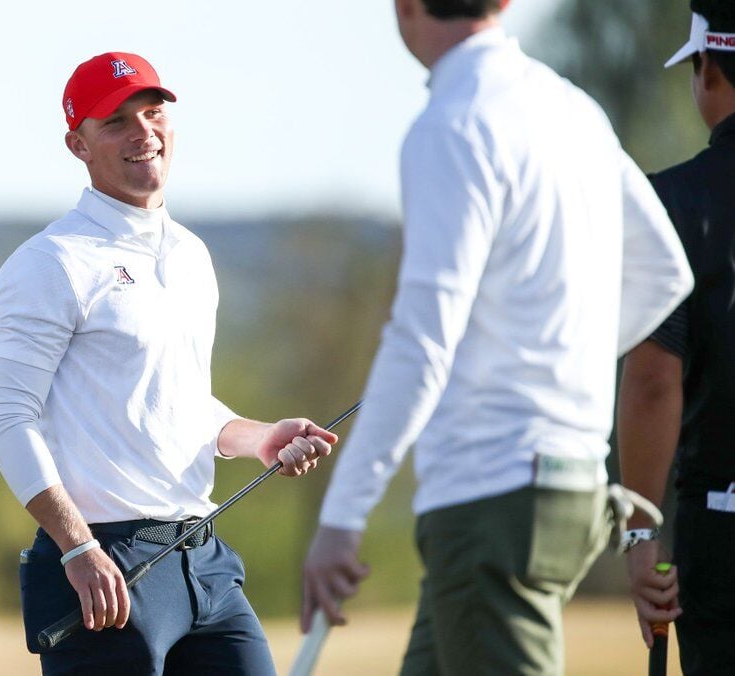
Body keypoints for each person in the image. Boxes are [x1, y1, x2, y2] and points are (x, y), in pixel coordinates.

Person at [299, 1, 695, 673]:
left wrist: (342, 517)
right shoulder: (573, 108)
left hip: (493, 505)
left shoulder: (450, 124)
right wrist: (558, 368)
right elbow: (665, 272)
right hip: (565, 488)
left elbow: (421, 338)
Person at [0, 51, 338, 676]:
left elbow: (180, 405)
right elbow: (7, 417)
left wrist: (260, 438)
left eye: (152, 113)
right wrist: (77, 548)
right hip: (103, 568)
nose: (143, 132)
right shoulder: (51, 262)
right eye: (116, 121)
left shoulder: (192, 256)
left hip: (203, 562)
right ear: (78, 145)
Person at [617, 2, 735, 673]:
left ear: (706, 68)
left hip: (722, 530)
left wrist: (641, 530)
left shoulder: (674, 202)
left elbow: (654, 379)